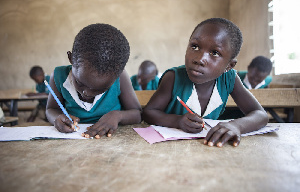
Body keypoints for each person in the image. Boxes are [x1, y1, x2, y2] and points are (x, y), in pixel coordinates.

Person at [142, 18, 269, 147]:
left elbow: (260, 115)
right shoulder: (173, 77)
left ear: (229, 66)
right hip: (168, 147)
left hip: (206, 147)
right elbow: (148, 112)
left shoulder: (229, 79)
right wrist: (177, 121)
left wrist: (236, 126)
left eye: (214, 53)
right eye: (195, 46)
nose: (200, 59)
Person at [46, 23, 141, 138]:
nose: (86, 93)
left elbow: (137, 113)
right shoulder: (59, 76)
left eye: (100, 89)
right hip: (75, 139)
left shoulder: (120, 77)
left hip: (114, 140)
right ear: (71, 59)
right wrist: (57, 118)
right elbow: (51, 109)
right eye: (80, 83)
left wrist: (117, 116)